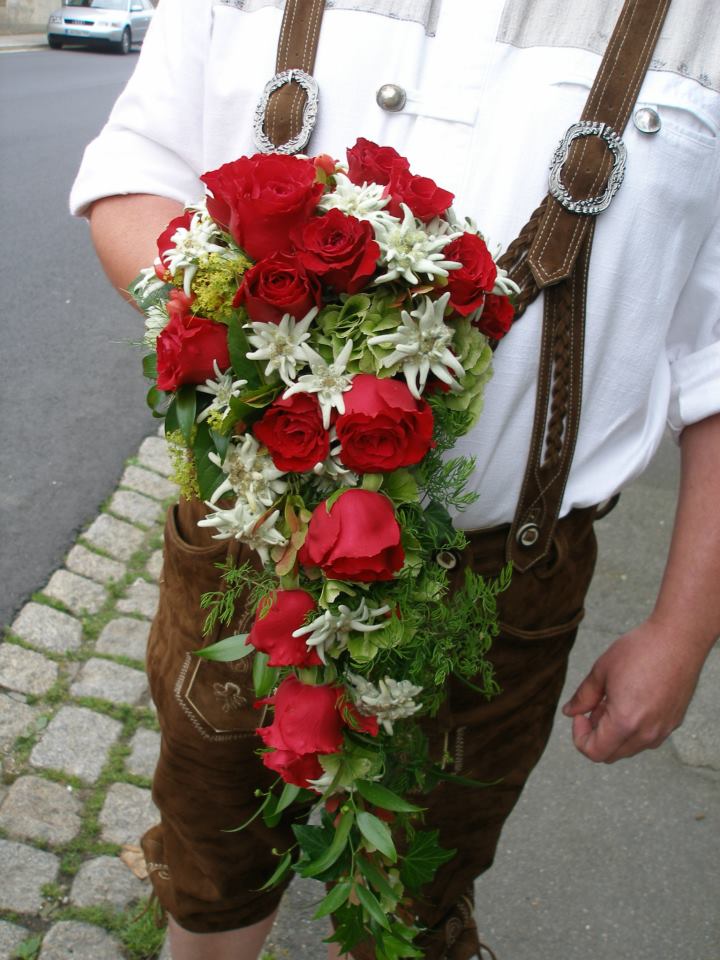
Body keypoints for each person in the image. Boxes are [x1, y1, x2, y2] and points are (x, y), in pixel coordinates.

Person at [70, 2, 720, 958]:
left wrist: (685, 627)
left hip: (501, 587)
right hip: (247, 548)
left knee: (419, 895)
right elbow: (135, 176)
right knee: (213, 859)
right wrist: (247, 327)